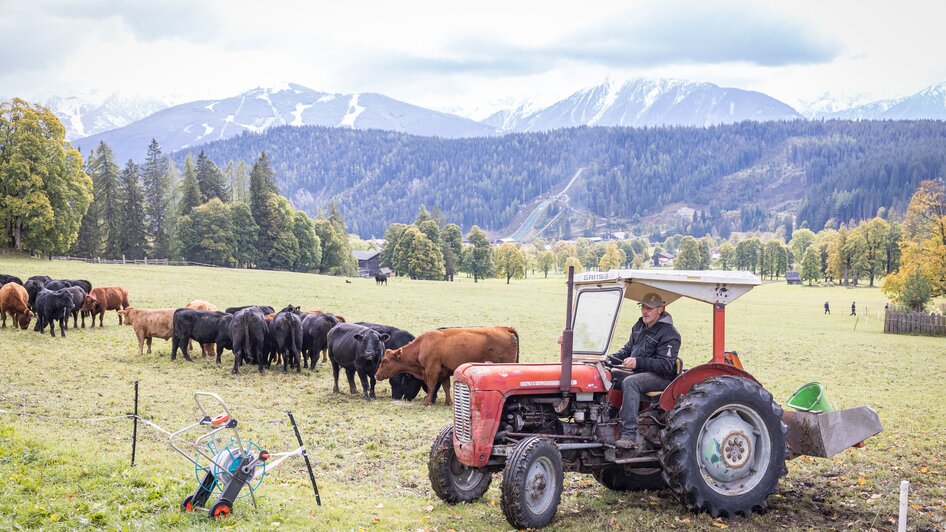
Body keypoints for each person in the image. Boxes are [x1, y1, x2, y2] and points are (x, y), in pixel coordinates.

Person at [609, 292, 681, 450]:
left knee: (631, 383)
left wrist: (638, 362)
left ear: (660, 309)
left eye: (649, 308)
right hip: (640, 372)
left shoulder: (670, 334)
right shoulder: (639, 326)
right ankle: (606, 422)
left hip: (662, 378)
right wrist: (607, 360)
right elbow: (628, 349)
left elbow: (666, 365)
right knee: (608, 375)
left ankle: (629, 435)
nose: (645, 311)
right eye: (643, 307)